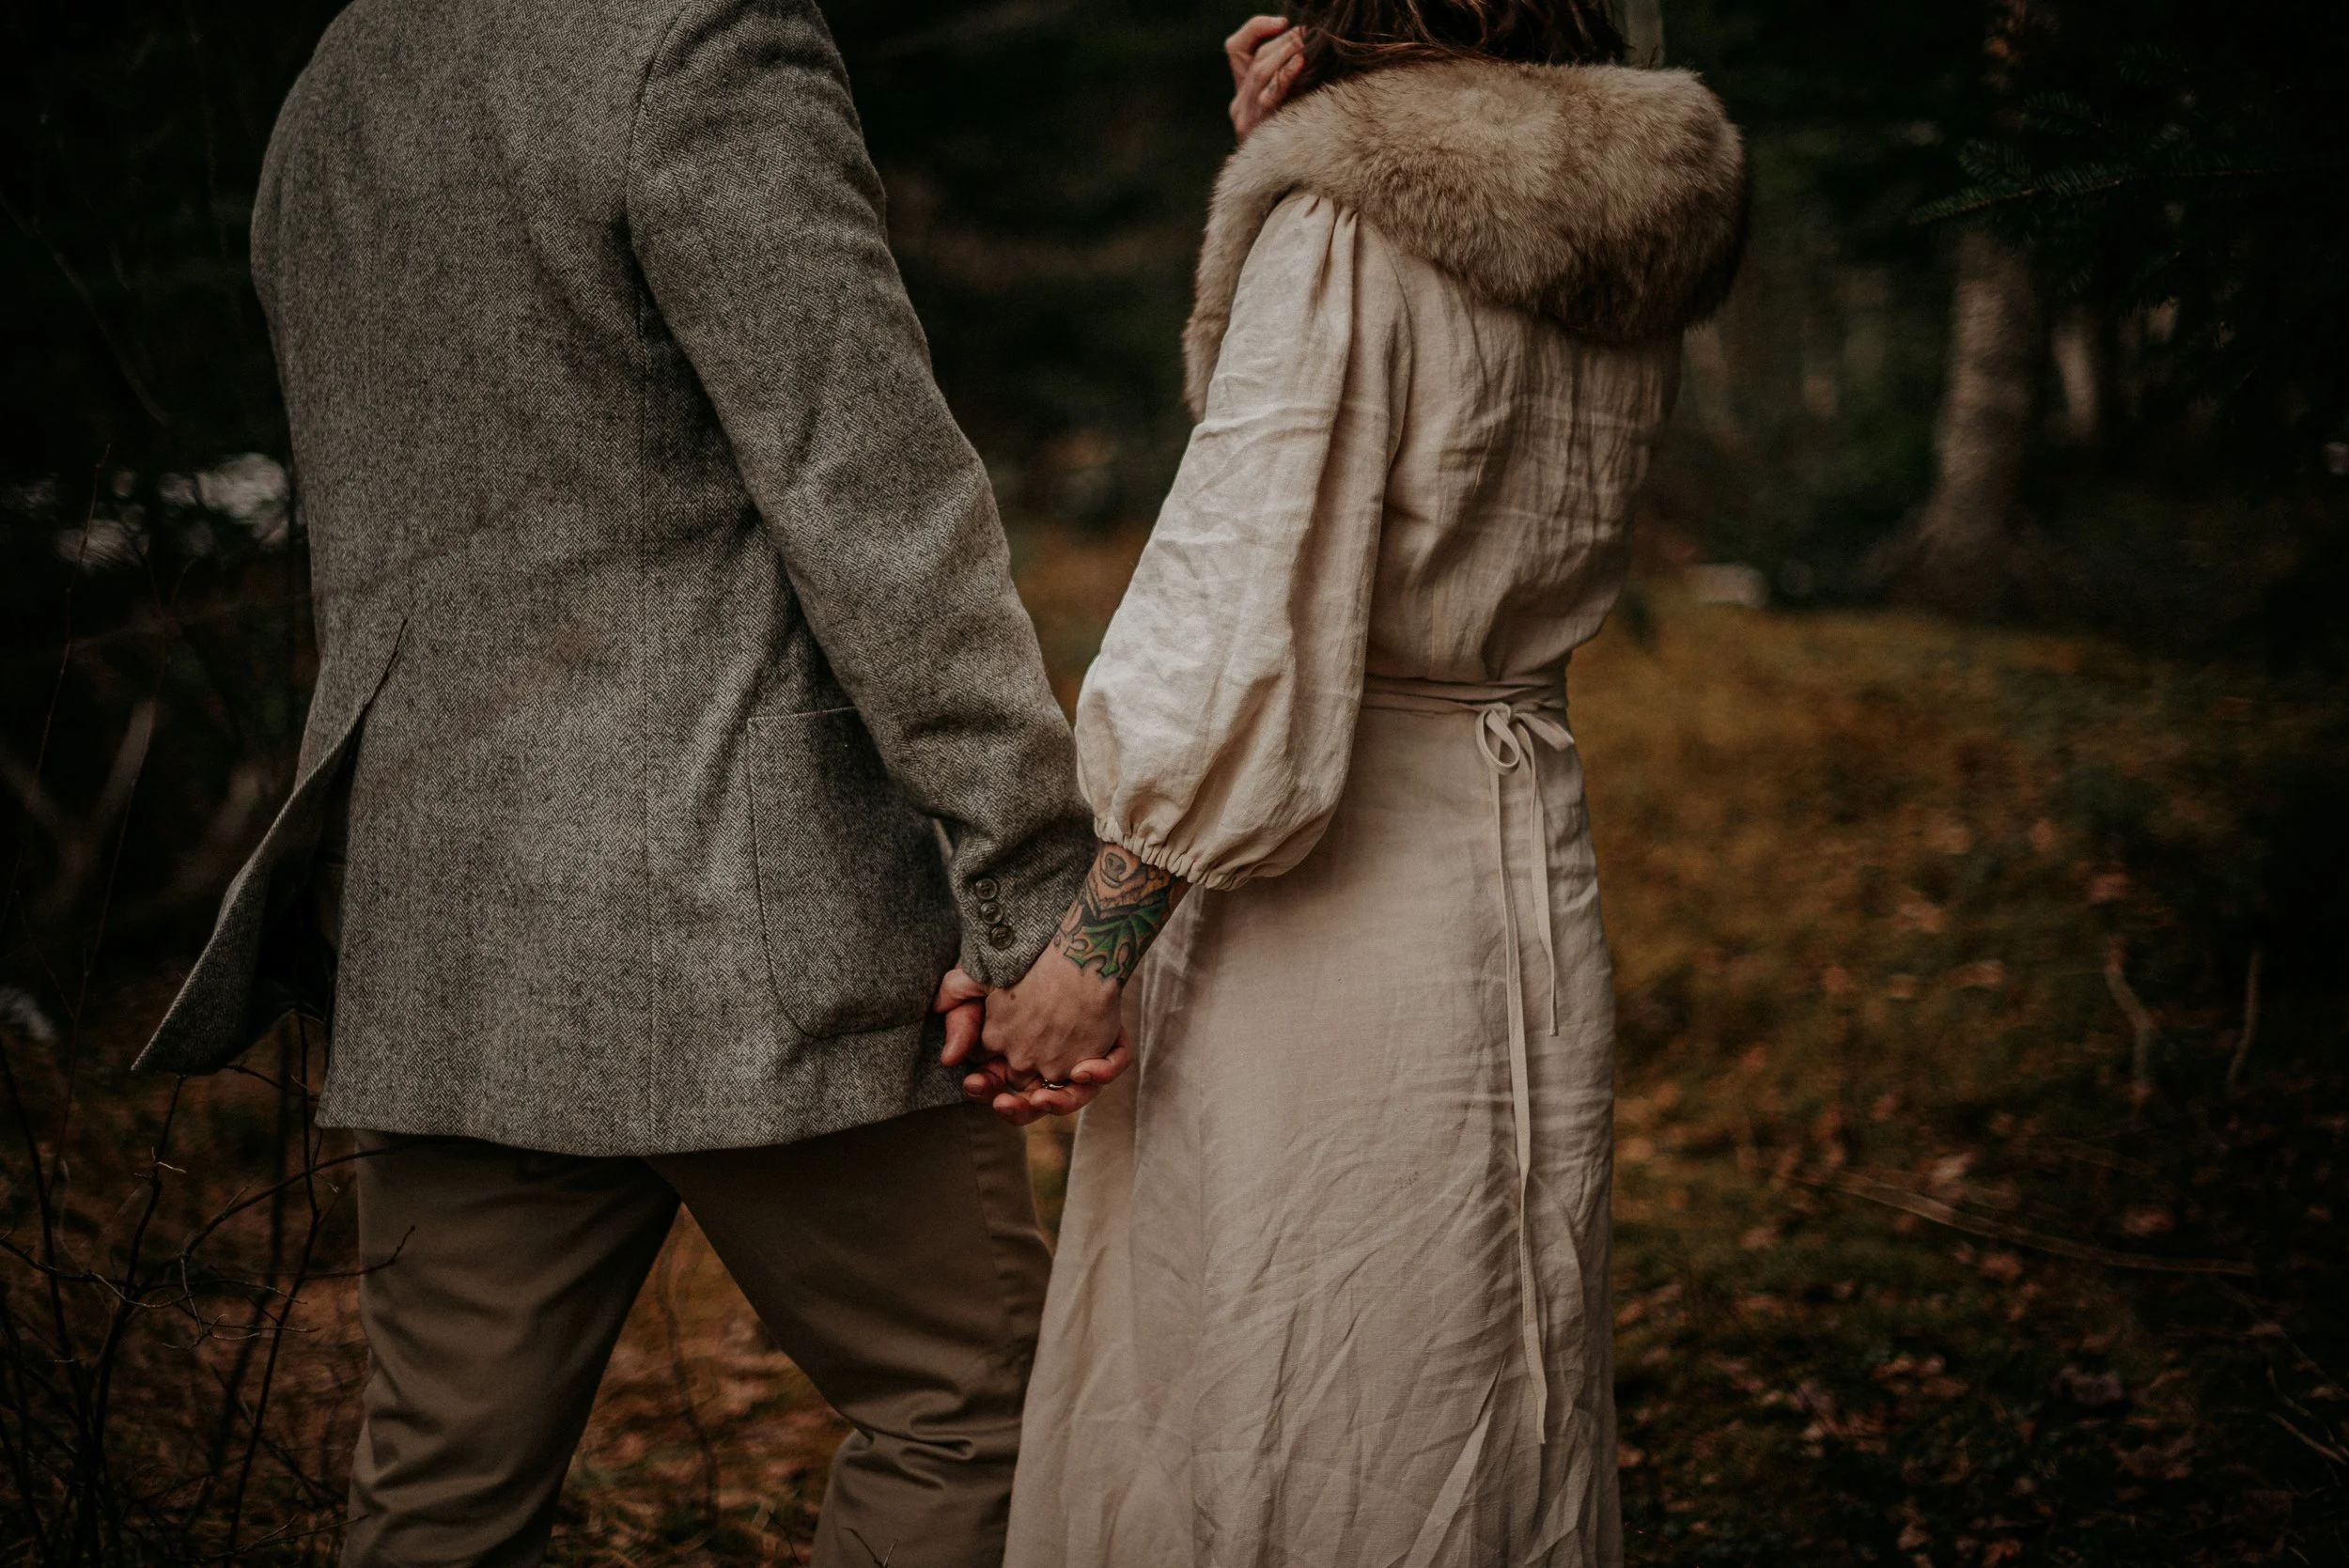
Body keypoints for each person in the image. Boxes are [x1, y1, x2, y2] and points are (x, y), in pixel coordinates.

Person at [132, 0, 1129, 1562]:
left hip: (439, 912)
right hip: (745, 922)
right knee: (973, 1416)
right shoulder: (704, 44)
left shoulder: (347, 68)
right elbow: (874, 501)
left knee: (438, 1504)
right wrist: (1034, 873)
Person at [960, 7, 1749, 1563]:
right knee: (1477, 1361)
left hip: (1329, 895)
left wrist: (1092, 949)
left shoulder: (1343, 226)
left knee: (1292, 1372)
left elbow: (1249, 587)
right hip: (1518, 840)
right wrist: (1278, 171)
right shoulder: (1623, 220)